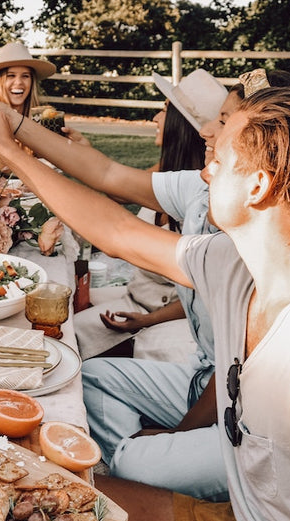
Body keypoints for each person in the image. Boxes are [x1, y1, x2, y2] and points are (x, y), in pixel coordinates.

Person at [0, 86, 290, 521]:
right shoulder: (232, 263)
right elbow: (117, 230)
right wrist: (12, 149)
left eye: (221, 154)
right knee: (62, 497)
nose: (205, 169)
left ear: (259, 185)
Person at [75, 80, 206, 362]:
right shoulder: (167, 173)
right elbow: (116, 186)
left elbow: (203, 297)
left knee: (72, 346)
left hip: (168, 320)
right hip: (135, 299)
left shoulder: (203, 199)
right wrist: (81, 153)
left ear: (180, 125)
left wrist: (145, 321)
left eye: (165, 109)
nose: (156, 118)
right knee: (66, 326)